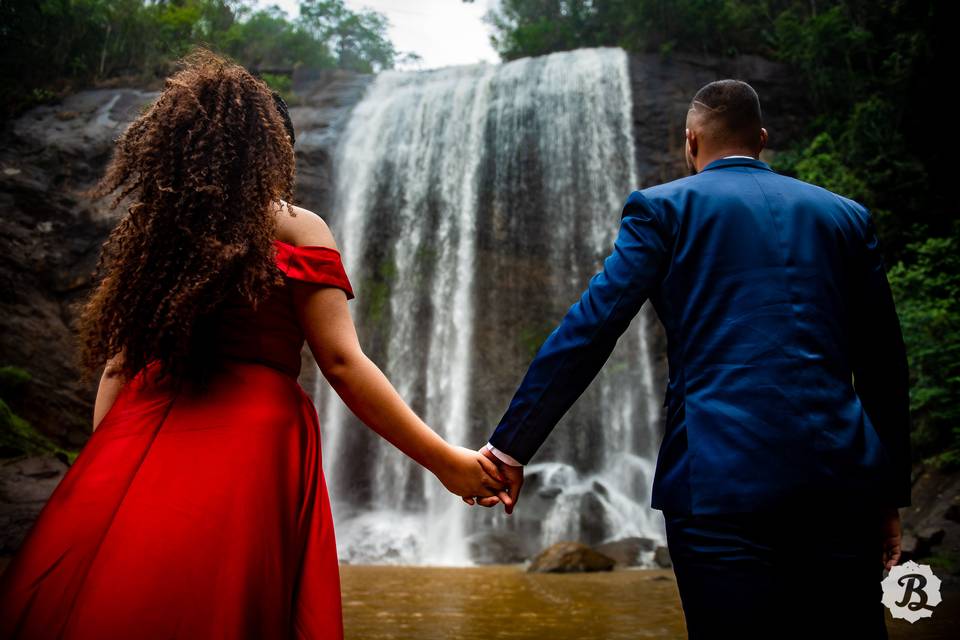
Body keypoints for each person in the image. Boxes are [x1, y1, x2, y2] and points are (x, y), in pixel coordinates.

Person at [0, 47, 508, 639]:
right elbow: (342, 363)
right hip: (253, 436)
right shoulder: (294, 224)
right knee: (231, 601)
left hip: (136, 429)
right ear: (270, 149)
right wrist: (446, 462)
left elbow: (118, 367)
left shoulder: (155, 237)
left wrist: (103, 472)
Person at [478, 79, 912, 639]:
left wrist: (510, 447)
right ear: (761, 139)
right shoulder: (846, 217)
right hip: (842, 487)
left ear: (690, 141)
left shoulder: (664, 209)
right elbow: (883, 364)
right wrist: (887, 493)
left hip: (717, 486)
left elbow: (592, 329)